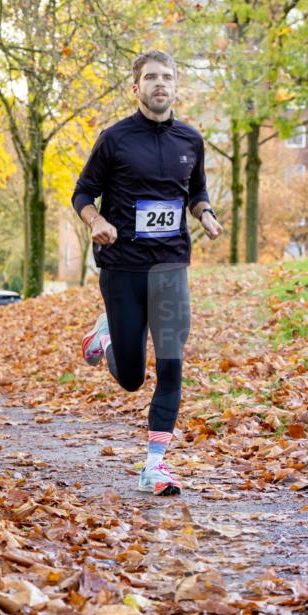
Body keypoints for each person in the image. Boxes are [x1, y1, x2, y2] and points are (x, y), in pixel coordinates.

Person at [72, 50, 222, 496]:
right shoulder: (115, 139)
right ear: (136, 87)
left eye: (167, 77)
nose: (160, 84)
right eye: (151, 77)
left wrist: (205, 213)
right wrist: (96, 221)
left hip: (171, 265)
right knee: (132, 378)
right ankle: (106, 337)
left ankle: (155, 467)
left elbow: (196, 190)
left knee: (172, 364)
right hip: (123, 267)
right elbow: (83, 193)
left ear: (175, 87)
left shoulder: (190, 140)